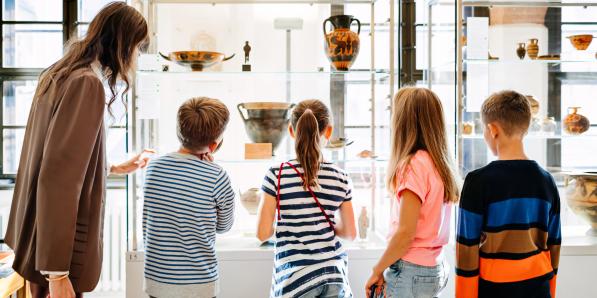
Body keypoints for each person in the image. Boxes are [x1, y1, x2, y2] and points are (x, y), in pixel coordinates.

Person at [4, 2, 150, 298]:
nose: (135, 57)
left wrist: (115, 167)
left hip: (39, 238)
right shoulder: (87, 84)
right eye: (137, 47)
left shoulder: (59, 73)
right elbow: (58, 178)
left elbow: (56, 156)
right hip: (59, 253)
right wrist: (57, 273)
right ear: (122, 44)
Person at [455, 90, 561, 298]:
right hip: (538, 287)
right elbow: (554, 245)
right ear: (526, 128)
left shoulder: (477, 181)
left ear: (493, 129)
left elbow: (466, 249)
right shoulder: (546, 181)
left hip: (494, 289)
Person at [256, 99, 356, 298]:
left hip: (294, 279)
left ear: (291, 131)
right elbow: (350, 233)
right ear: (328, 131)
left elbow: (262, 233)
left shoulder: (277, 174)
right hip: (333, 275)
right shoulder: (341, 177)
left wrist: (292, 224)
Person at [365, 87, 459, 298]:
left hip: (411, 270)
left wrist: (377, 270)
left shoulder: (413, 165)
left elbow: (406, 233)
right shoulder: (441, 164)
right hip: (436, 267)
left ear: (404, 123)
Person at [142, 97, 235, 298]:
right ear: (213, 145)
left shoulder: (153, 168)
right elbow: (224, 227)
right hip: (200, 285)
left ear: (179, 132)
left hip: (157, 282)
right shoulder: (217, 176)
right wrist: (209, 167)